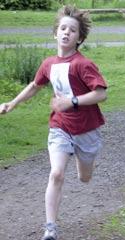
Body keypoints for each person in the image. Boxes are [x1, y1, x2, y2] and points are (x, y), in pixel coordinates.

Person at [0, 5, 107, 240]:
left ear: (80, 38)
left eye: (72, 30)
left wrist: (72, 101)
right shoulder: (49, 64)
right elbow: (35, 86)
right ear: (55, 33)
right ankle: (50, 229)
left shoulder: (83, 64)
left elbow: (101, 94)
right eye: (63, 28)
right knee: (56, 174)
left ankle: (84, 164)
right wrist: (12, 103)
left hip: (87, 130)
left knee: (84, 178)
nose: (67, 33)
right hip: (60, 127)